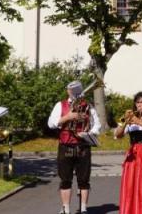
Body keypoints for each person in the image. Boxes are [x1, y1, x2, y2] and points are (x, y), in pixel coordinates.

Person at [48, 80, 102, 214]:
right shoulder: (60, 105)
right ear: (68, 91)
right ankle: (66, 208)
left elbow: (97, 124)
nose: (74, 93)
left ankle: (83, 208)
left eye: (76, 91)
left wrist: (90, 133)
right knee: (65, 179)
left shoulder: (88, 106)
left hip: (83, 145)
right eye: (71, 90)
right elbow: (51, 123)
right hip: (65, 145)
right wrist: (68, 117)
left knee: (84, 179)